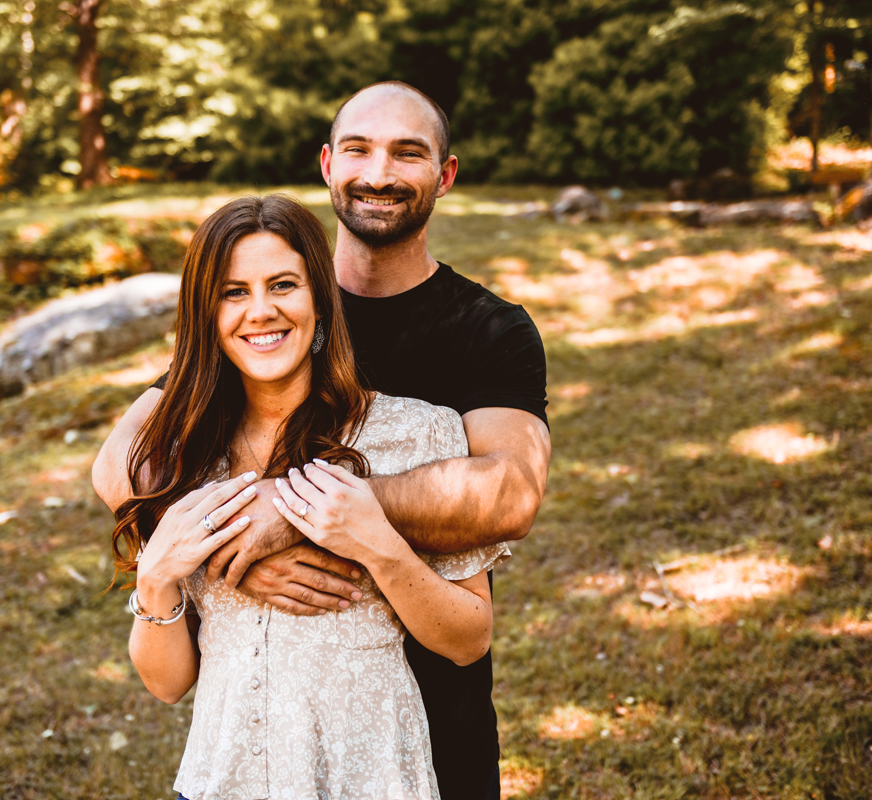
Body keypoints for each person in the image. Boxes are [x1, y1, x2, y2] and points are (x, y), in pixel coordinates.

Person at [94, 81, 551, 798]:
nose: (379, 173)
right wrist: (230, 547)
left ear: (445, 173)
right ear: (327, 164)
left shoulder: (485, 335)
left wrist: (305, 512)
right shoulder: (254, 329)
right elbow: (123, 462)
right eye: (359, 149)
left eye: (408, 153)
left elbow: (511, 495)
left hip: (423, 736)